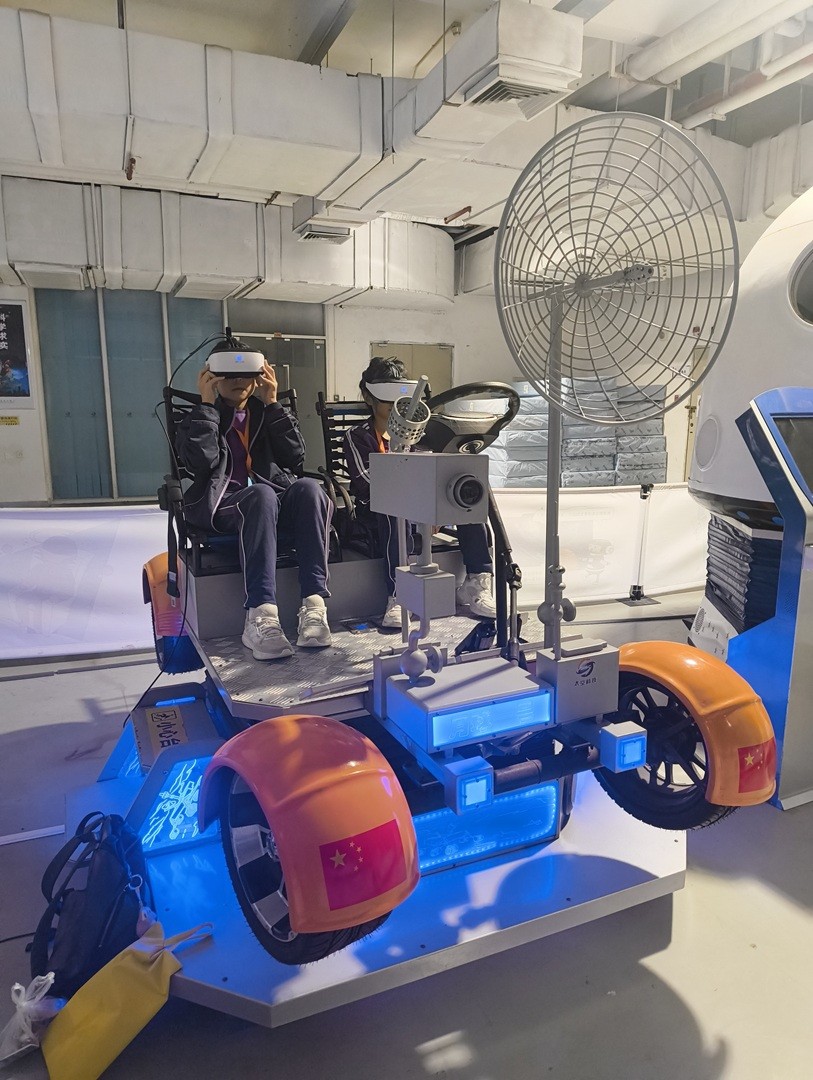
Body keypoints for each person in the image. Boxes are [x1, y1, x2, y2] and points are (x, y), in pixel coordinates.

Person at [176, 354, 332, 660]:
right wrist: (207, 406)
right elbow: (200, 463)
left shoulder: (265, 413)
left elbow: (295, 458)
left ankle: (314, 605)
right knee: (261, 495)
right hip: (224, 502)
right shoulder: (200, 417)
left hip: (271, 498)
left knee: (310, 489)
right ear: (213, 378)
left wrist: (272, 403)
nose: (238, 380)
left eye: (245, 374)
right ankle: (260, 614)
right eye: (228, 374)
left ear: (258, 376)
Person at [344, 356, 496, 628]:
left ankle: (476, 583)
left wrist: (431, 506)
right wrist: (420, 506)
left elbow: (435, 473)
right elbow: (370, 483)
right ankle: (398, 595)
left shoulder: (423, 435)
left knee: (468, 499)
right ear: (368, 397)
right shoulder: (357, 436)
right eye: (386, 397)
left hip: (422, 506)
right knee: (394, 510)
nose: (395, 405)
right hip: (379, 510)